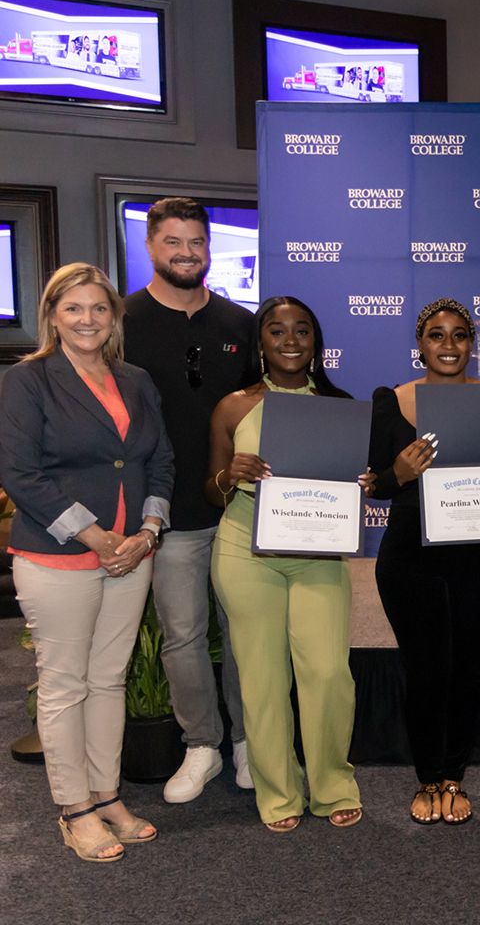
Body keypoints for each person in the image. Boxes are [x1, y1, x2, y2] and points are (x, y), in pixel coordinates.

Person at [0, 263, 174, 862]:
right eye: (73, 308)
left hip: (132, 554)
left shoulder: (136, 379)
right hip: (59, 556)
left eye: (99, 308)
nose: (87, 319)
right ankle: (74, 809)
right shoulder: (29, 381)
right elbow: (20, 474)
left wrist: (148, 530)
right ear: (52, 315)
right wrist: (99, 537)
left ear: (114, 317)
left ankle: (106, 795)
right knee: (65, 684)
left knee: (108, 680)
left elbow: (159, 461)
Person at [368, 298, 480, 825]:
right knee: (424, 668)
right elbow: (376, 486)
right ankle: (427, 778)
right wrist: (398, 472)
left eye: (460, 335)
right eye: (436, 335)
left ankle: (454, 776)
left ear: (472, 343)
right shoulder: (389, 401)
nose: (448, 345)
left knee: (468, 667)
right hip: (409, 557)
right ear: (420, 344)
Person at [205, 296, 365, 832]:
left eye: (302, 329)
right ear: (261, 342)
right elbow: (211, 490)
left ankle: (332, 784)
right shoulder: (233, 406)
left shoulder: (340, 405)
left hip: (317, 552)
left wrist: (358, 485)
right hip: (245, 553)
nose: (291, 339)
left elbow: (351, 485)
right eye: (277, 331)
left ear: (316, 342)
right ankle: (278, 793)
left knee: (326, 672)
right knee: (262, 678)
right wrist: (231, 473)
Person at [123, 196, 256, 802]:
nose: (185, 252)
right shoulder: (122, 324)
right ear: (152, 247)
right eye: (172, 242)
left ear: (209, 248)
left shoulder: (238, 323)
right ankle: (201, 744)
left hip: (239, 511)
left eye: (196, 242)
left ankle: (250, 744)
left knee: (245, 633)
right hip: (165, 513)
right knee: (182, 637)